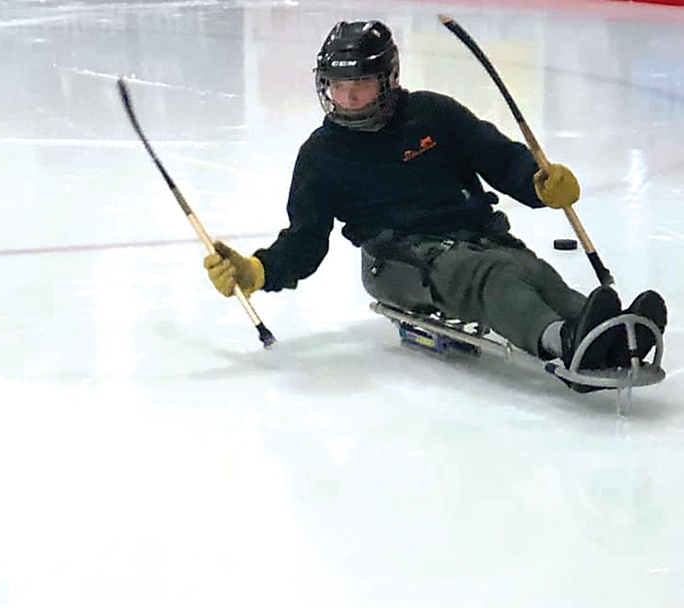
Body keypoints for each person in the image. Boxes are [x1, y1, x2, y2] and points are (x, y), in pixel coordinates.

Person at [203, 20, 667, 390]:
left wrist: (538, 183)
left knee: (531, 272)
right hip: (398, 260)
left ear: (387, 80)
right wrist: (257, 271)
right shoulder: (321, 155)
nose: (347, 98)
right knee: (492, 277)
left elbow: (500, 158)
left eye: (360, 85)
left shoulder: (432, 114)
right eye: (338, 86)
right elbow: (305, 240)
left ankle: (607, 334)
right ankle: (564, 343)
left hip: (475, 236)